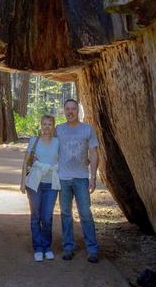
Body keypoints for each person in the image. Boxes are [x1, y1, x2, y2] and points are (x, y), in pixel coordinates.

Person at [56, 98, 100, 263]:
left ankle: (92, 249)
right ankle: (68, 247)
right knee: (65, 214)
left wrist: (93, 176)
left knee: (85, 214)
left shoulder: (87, 129)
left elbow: (94, 154)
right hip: (63, 178)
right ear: (64, 111)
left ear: (78, 111)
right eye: (67, 109)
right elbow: (49, 147)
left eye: (73, 108)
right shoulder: (58, 129)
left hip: (81, 178)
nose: (70, 112)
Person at [20, 115, 61, 262]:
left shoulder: (57, 142)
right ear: (40, 125)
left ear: (53, 127)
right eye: (44, 124)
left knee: (47, 217)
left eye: (50, 124)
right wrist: (22, 182)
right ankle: (38, 247)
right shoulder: (34, 141)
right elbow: (26, 162)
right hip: (34, 184)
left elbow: (64, 159)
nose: (46, 127)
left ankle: (47, 246)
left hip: (51, 185)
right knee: (36, 216)